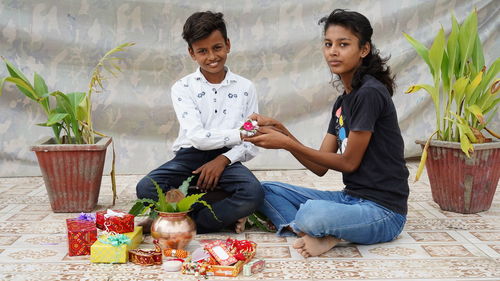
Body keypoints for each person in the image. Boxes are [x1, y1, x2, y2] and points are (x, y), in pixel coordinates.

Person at [245, 9, 409, 257]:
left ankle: (319, 228)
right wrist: (282, 131)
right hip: (350, 199)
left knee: (314, 212)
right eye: (328, 44)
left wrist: (287, 144)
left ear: (364, 50)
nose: (333, 51)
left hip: (383, 212)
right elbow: (320, 166)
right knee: (264, 189)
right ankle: (309, 232)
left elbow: (349, 163)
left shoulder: (369, 94)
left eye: (343, 44)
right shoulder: (343, 102)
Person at [136, 11, 263, 234]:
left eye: (217, 48)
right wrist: (240, 134)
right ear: (191, 53)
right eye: (202, 51)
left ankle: (188, 223)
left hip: (229, 157)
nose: (212, 56)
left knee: (254, 193)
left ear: (228, 44)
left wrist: (223, 160)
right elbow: (197, 137)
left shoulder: (246, 87)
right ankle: (218, 209)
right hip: (190, 156)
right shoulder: (182, 88)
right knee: (146, 187)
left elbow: (251, 137)